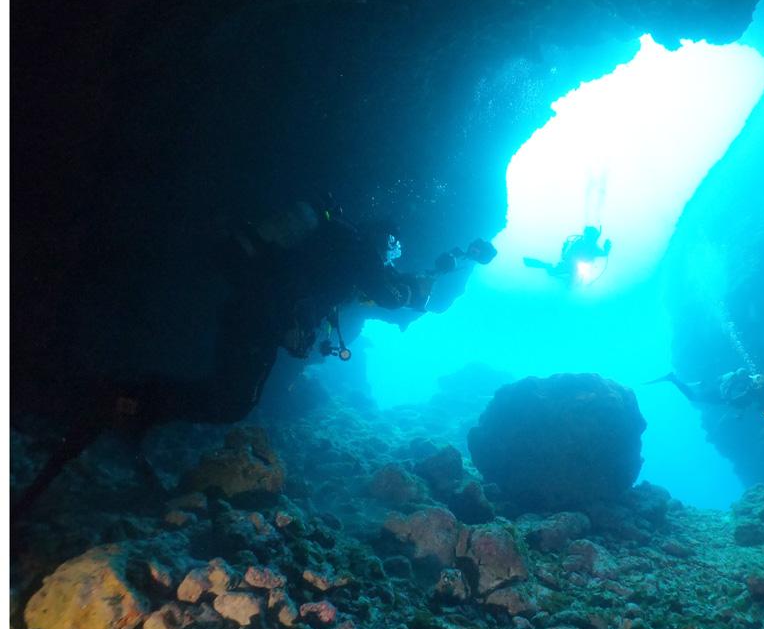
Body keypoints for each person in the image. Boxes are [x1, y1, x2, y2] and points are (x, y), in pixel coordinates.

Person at [14, 202, 496, 513]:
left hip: (255, 314)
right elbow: (386, 295)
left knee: (230, 396)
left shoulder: (337, 250)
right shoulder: (353, 247)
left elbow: (359, 295)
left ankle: (136, 405)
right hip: (260, 317)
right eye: (391, 250)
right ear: (382, 240)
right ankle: (124, 401)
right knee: (231, 401)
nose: (390, 257)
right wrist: (415, 287)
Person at [651, 367, 764, 413]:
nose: (758, 382)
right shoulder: (738, 378)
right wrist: (729, 399)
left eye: (761, 381)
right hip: (717, 394)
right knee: (693, 397)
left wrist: (763, 407)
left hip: (718, 397)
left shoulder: (753, 386)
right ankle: (673, 378)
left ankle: (700, 384)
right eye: (758, 379)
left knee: (696, 397)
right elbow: (725, 388)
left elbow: (760, 400)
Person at [523, 225, 611, 285]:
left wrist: (607, 249)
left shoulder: (595, 248)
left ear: (594, 238)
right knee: (552, 272)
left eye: (591, 237)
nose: (589, 240)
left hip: (579, 267)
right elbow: (566, 256)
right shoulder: (578, 243)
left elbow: (603, 256)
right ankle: (545, 265)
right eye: (588, 236)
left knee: (571, 285)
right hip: (569, 264)